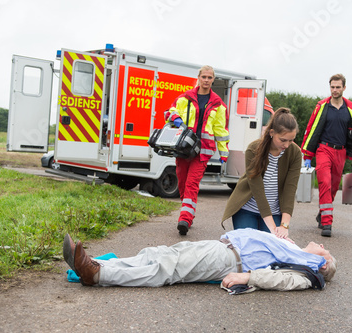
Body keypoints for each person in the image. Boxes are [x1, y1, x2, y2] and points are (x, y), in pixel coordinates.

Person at [62, 229, 337, 292]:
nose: (322, 246)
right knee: (157, 254)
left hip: (229, 258)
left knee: (166, 268)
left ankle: (96, 274)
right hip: (222, 246)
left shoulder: (307, 270)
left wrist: (248, 277)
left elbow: (282, 280)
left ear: (321, 264)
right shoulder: (291, 248)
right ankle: (97, 264)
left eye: (324, 252)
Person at [301, 74, 352, 237]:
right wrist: (308, 155)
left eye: (338, 87)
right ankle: (327, 223)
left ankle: (322, 213)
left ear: (344, 88)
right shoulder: (322, 107)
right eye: (332, 87)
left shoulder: (350, 109)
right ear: (329, 87)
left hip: (341, 152)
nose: (335, 90)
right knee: (324, 183)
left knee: (332, 188)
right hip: (323, 150)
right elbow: (312, 130)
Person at [164, 65, 229, 236]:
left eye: (210, 77)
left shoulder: (219, 105)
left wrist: (224, 153)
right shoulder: (185, 97)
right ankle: (189, 213)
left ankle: (184, 218)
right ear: (199, 77)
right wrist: (175, 118)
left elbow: (221, 131)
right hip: (183, 147)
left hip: (203, 150)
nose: (206, 80)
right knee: (182, 182)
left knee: (192, 183)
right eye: (204, 77)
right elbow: (169, 112)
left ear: (213, 80)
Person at [221, 108, 301, 239]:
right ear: (271, 133)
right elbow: (257, 190)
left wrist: (284, 226)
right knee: (249, 246)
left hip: (275, 211)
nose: (287, 145)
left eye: (291, 140)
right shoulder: (253, 149)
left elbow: (290, 190)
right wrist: (271, 227)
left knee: (271, 251)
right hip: (247, 209)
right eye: (283, 140)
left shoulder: (295, 153)